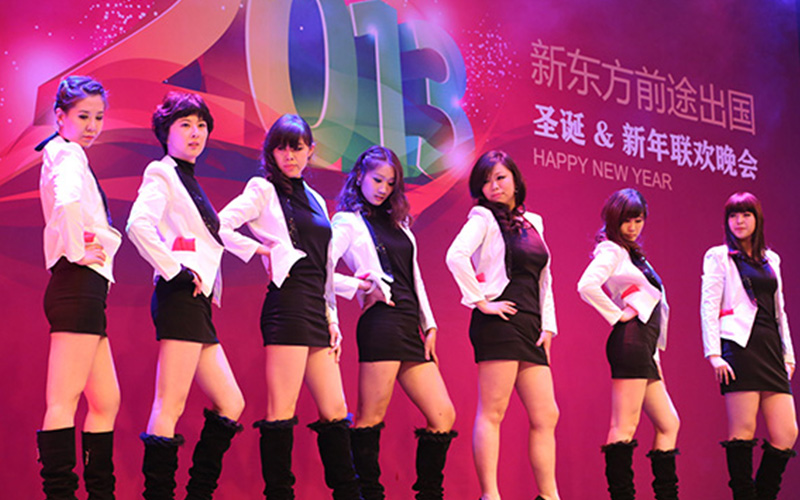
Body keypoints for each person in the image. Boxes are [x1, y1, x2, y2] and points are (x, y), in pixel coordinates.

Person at [218, 114, 361, 499]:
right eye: (281, 148)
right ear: (271, 152)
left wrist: (332, 317)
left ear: (310, 151)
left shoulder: (315, 199)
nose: (289, 156)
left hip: (316, 307)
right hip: (287, 304)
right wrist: (263, 250)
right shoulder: (263, 189)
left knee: (336, 411)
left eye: (296, 148)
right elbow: (221, 225)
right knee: (281, 412)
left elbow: (324, 265)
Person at [127, 91, 246, 499]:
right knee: (169, 405)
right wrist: (176, 271)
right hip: (180, 298)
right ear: (166, 131)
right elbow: (138, 225)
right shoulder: (161, 173)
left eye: (201, 125)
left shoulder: (187, 179)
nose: (196, 133)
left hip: (197, 304)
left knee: (231, 403)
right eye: (185, 125)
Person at [330, 145, 457, 500]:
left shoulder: (400, 224)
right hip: (381, 322)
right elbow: (320, 268)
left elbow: (414, 278)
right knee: (370, 419)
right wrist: (359, 287)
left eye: (390, 183)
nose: (383, 189)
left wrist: (429, 325)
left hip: (409, 326)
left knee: (443, 415)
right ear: (360, 176)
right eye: (377, 180)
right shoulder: (347, 222)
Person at [445, 150, 560, 500]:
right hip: (499, 322)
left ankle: (549, 496)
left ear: (515, 180)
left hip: (530, 324)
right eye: (486, 181)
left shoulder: (534, 222)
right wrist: (481, 302)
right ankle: (490, 495)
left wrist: (548, 326)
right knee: (494, 411)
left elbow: (545, 279)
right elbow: (455, 255)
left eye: (500, 178)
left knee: (547, 414)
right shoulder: (482, 217)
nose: (493, 186)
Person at [36, 75, 122, 499]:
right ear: (60, 116)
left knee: (106, 401)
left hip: (85, 289)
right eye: (83, 116)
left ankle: (100, 492)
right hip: (77, 286)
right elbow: (67, 202)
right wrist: (76, 250)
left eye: (98, 117)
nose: (92, 126)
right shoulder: (68, 153)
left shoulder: (65, 152)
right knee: (63, 401)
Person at [577, 188, 680, 500]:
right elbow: (586, 285)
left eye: (638, 220)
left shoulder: (632, 254)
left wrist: (655, 358)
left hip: (644, 346)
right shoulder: (611, 251)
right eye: (626, 221)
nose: (633, 227)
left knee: (669, 423)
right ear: (614, 220)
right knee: (624, 427)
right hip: (631, 341)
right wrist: (616, 315)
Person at [700, 192, 797, 500]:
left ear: (757, 219)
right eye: (733, 215)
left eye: (746, 215)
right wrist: (714, 354)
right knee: (743, 431)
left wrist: (789, 355)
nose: (739, 221)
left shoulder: (772, 258)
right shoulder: (719, 256)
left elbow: (780, 310)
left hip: (771, 348)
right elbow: (708, 306)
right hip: (740, 346)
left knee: (787, 433)